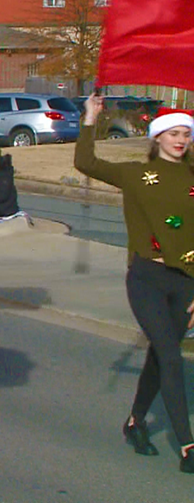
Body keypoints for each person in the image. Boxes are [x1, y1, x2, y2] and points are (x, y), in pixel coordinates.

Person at [76, 96, 194, 473]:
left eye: (186, 135)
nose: (180, 140)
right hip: (147, 278)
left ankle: (135, 421)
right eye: (173, 133)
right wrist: (90, 119)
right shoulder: (134, 174)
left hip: (186, 283)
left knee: (161, 357)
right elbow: (86, 163)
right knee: (172, 357)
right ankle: (188, 444)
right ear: (157, 137)